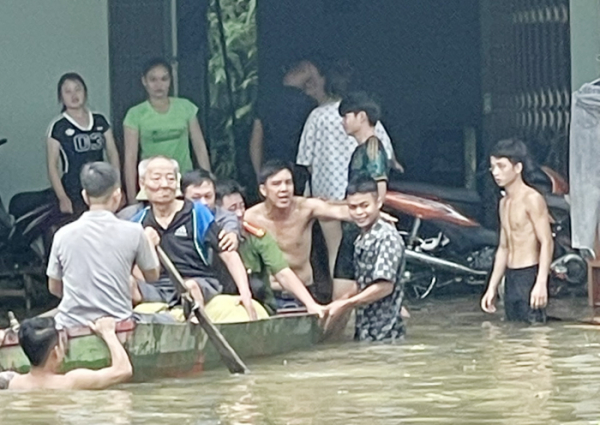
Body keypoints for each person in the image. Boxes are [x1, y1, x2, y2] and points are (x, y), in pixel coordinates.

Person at [294, 60, 401, 281]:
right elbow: (391, 161)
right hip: (355, 203)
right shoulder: (373, 125)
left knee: (337, 251)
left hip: (332, 198)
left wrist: (323, 198)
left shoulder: (317, 117)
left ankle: (340, 293)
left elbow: (306, 161)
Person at [130, 156, 258, 320]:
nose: (164, 184)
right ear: (142, 183)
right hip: (159, 288)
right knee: (127, 285)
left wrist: (245, 294)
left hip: (199, 281)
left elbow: (229, 253)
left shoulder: (197, 213)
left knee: (190, 288)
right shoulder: (137, 222)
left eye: (170, 178)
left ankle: (197, 327)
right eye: (156, 179)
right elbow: (128, 264)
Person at [48, 162, 160, 329]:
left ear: (85, 196)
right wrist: (150, 244)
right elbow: (152, 276)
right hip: (118, 322)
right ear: (117, 195)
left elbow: (54, 288)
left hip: (71, 324)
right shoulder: (134, 232)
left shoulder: (62, 235)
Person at [244, 160, 354, 306]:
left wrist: (373, 214)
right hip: (269, 295)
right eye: (276, 184)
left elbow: (341, 212)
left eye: (288, 183)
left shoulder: (305, 208)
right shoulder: (250, 217)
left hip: (305, 291)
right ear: (263, 190)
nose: (284, 189)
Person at [216, 179, 326, 316]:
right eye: (232, 209)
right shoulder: (202, 237)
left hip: (258, 306)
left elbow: (282, 272)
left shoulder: (257, 236)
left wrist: (310, 304)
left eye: (242, 206)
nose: (240, 213)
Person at [481, 138, 553, 323]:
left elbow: (546, 241)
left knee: (535, 336)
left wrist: (541, 282)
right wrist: (492, 287)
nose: (495, 172)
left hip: (530, 275)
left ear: (518, 168)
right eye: (493, 167)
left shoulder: (532, 199)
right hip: (511, 277)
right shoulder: (504, 202)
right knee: (514, 334)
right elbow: (503, 247)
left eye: (501, 166)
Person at [324, 177, 406, 341]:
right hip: (367, 332)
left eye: (364, 206)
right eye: (353, 207)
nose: (359, 213)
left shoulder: (386, 238)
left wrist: (347, 304)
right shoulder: (362, 238)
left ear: (378, 203)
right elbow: (366, 283)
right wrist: (340, 302)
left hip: (386, 336)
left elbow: (384, 286)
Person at [124, 58, 210, 204]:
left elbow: (200, 147)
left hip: (184, 182)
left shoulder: (186, 107)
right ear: (144, 81)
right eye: (153, 79)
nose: (159, 85)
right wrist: (133, 198)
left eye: (164, 79)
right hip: (152, 185)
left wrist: (207, 184)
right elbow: (130, 158)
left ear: (171, 80)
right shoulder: (135, 114)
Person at [333, 92, 390, 300]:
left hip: (359, 228)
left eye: (346, 116)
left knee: (347, 288)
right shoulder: (361, 150)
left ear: (361, 117)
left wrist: (368, 224)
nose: (343, 122)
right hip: (355, 226)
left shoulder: (373, 148)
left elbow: (379, 189)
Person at [47, 72, 120, 215]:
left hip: (101, 185)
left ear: (85, 92)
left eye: (78, 89)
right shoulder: (58, 126)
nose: (74, 95)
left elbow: (113, 153)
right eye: (67, 91)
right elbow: (52, 166)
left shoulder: (100, 120)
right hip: (73, 189)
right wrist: (62, 197)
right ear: (61, 97)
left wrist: (117, 185)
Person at [4, 317, 132, 390]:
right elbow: (123, 370)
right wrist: (108, 333)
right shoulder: (72, 382)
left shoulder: (11, 382)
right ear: (55, 352)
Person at [181, 169, 239, 252]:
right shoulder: (176, 217)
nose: (203, 202)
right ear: (183, 197)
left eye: (208, 196)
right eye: (196, 198)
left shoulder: (226, 217)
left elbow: (230, 225)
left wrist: (232, 235)